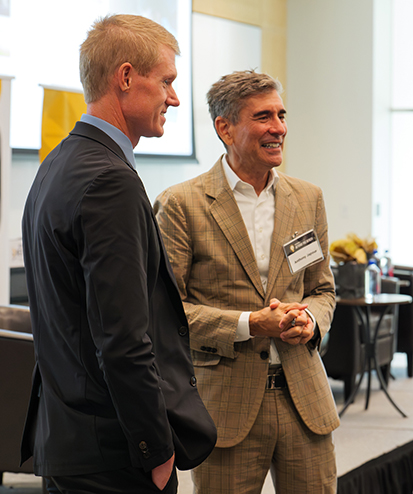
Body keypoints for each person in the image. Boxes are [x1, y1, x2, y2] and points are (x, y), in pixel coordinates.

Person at [20, 14, 216, 493]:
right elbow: (124, 339)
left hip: (69, 442)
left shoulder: (56, 164)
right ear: (126, 77)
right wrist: (156, 449)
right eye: (166, 81)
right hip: (114, 457)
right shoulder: (110, 181)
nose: (173, 97)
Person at [154, 70, 339, 493]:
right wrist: (251, 324)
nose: (279, 128)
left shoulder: (308, 198)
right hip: (225, 408)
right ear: (225, 127)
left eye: (281, 114)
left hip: (304, 400)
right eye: (263, 117)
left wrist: (310, 320)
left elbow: (323, 289)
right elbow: (167, 312)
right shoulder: (181, 204)